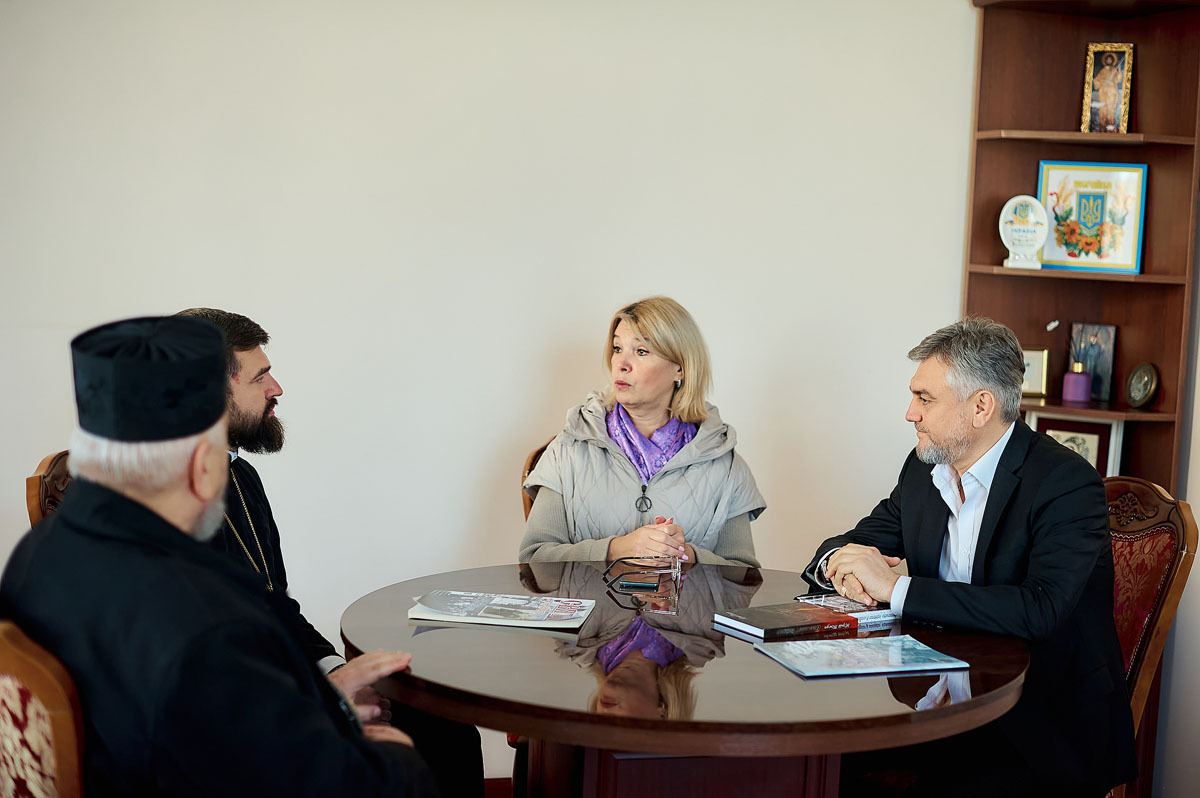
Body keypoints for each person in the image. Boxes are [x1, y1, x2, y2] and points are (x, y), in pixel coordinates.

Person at [0, 316, 436, 796]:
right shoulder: (206, 626)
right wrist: (392, 753)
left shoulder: (34, 555)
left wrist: (326, 689)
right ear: (201, 467)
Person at [801, 317, 1136, 796]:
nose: (910, 414)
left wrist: (893, 587)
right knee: (821, 763)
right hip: (938, 702)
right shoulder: (925, 470)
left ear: (981, 406)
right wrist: (842, 567)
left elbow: (1039, 609)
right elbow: (853, 543)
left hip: (1039, 726)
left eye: (925, 399)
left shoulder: (1065, 483)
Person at [176, 307, 482, 797]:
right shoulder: (165, 507)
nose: (276, 388)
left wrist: (336, 670)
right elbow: (202, 669)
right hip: (231, 732)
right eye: (260, 377)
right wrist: (327, 700)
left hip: (281, 688)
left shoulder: (240, 476)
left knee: (447, 730)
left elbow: (276, 608)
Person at [520, 296, 765, 566]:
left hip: (685, 598)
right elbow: (534, 560)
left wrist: (687, 555)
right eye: (617, 348)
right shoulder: (567, 450)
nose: (621, 363)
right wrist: (615, 550)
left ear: (680, 369)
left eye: (641, 351)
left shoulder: (725, 465)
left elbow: (744, 576)